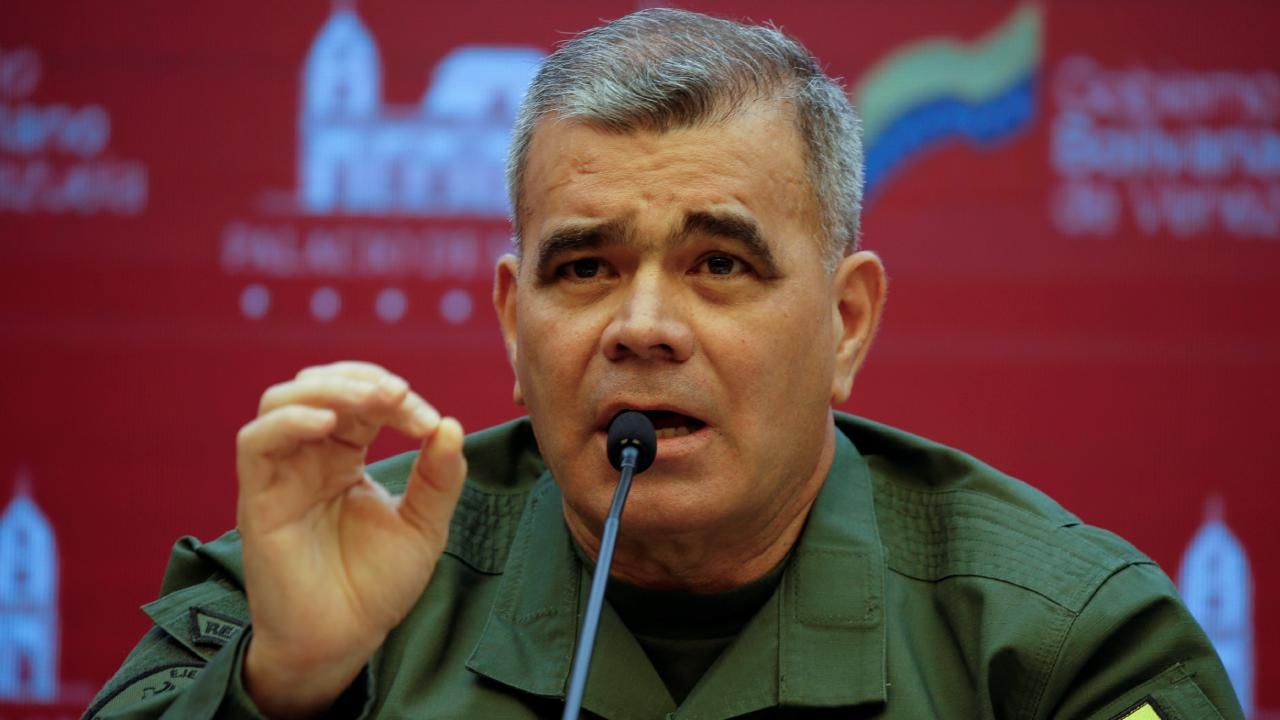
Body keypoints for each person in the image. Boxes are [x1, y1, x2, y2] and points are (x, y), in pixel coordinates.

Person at [86, 8, 1243, 720]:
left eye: (719, 265)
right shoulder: (315, 588)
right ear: (513, 323)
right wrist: (280, 689)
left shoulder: (1058, 649)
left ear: (844, 323)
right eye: (584, 267)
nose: (642, 326)